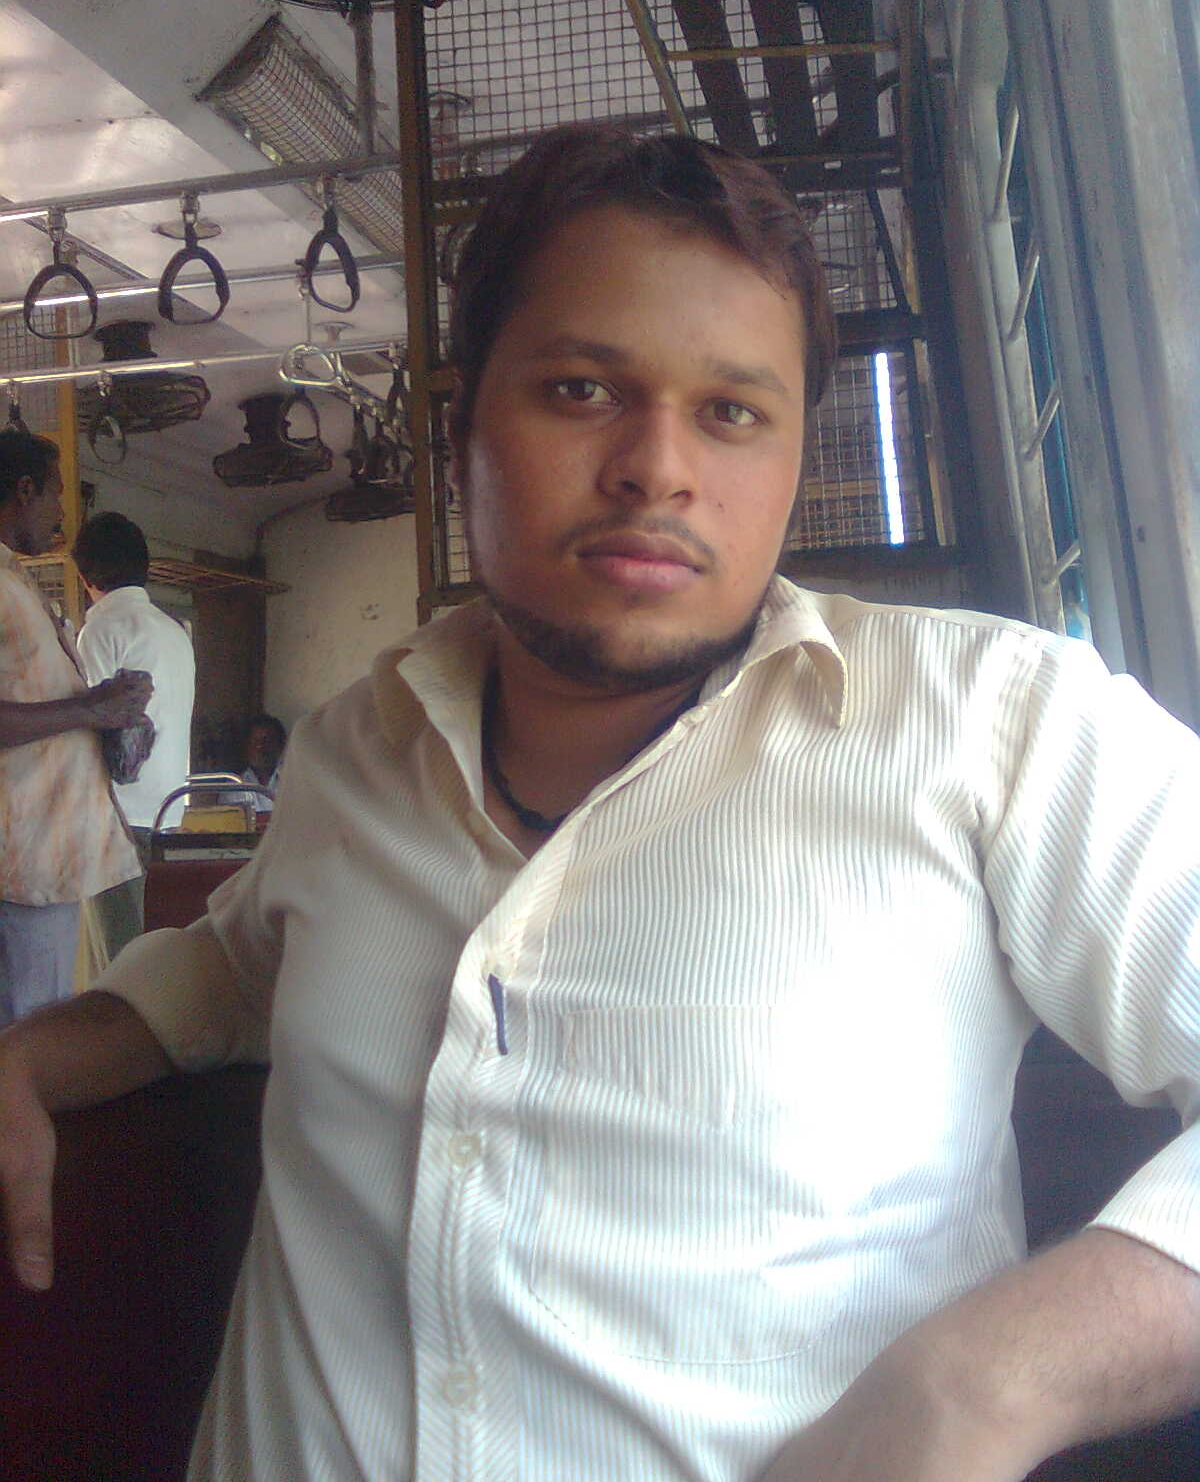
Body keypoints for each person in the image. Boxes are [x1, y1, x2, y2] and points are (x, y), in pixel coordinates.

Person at [2, 126, 1200, 1482]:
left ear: (794, 460)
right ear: (463, 428)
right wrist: (35, 1055)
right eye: (581, 389)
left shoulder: (997, 727)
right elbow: (238, 966)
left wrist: (982, 1389)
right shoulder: (358, 752)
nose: (657, 467)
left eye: (733, 412)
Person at [0, 432, 151, 1025]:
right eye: (56, 493)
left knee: (37, 1025)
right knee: (25, 1038)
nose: (62, 511)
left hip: (43, 856)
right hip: (17, 862)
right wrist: (92, 712)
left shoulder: (15, 578)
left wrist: (100, 703)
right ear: (24, 489)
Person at [71, 511, 196, 958]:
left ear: (85, 575)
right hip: (171, 813)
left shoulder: (100, 630)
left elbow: (93, 724)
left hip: (118, 819)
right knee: (154, 956)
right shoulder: (174, 631)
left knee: (118, 961)